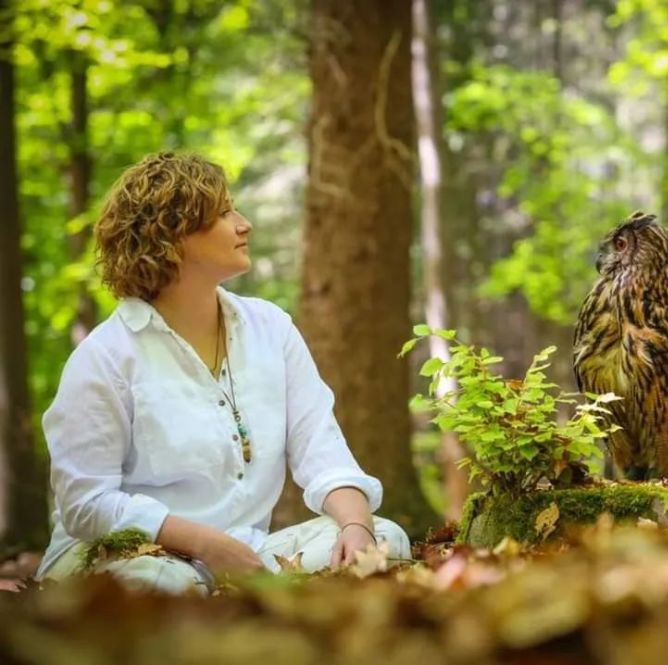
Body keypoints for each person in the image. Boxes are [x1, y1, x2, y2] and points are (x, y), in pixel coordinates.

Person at [34, 151, 410, 594]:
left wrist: (356, 526)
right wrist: (203, 544)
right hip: (122, 557)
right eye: (223, 213)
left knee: (387, 539)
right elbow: (85, 504)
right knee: (157, 584)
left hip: (244, 553)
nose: (244, 223)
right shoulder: (105, 356)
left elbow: (320, 448)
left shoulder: (271, 328)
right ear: (170, 237)